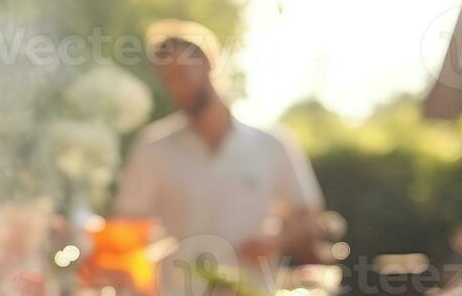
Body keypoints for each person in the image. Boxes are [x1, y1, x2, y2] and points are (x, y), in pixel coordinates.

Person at [110, 20, 325, 270]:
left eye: (182, 72)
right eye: (168, 78)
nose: (177, 86)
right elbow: (125, 227)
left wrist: (275, 241)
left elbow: (308, 216)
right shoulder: (152, 148)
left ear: (208, 63)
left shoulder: (272, 144)